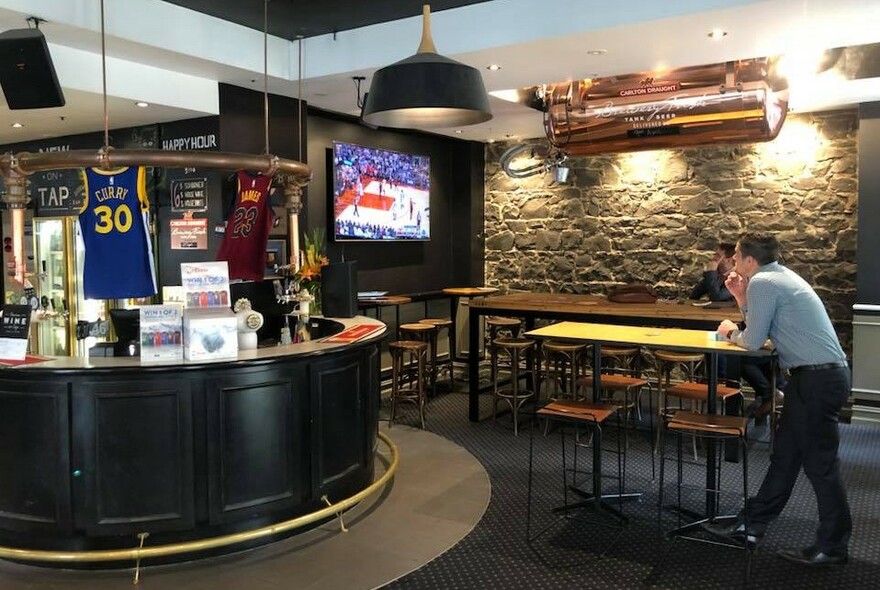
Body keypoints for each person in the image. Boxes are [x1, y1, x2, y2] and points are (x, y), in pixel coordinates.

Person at [707, 233, 851, 567]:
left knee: (821, 467)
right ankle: (752, 524)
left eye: (737, 256)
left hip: (816, 380)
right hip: (817, 378)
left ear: (749, 262)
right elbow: (760, 327)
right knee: (785, 457)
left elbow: (753, 339)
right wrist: (741, 298)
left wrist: (729, 330)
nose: (732, 261)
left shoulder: (764, 282)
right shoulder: (776, 277)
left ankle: (832, 546)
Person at [689, 242, 785, 419]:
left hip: (761, 339)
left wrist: (711, 272)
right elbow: (693, 296)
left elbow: (718, 297)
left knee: (736, 358)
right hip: (755, 336)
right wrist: (711, 275)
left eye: (717, 257)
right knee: (734, 355)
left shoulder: (743, 278)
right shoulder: (722, 277)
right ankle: (771, 394)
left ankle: (768, 395)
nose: (713, 260)